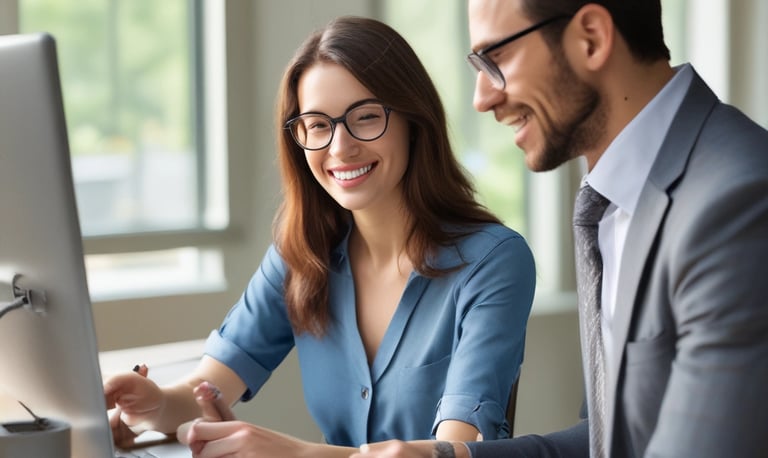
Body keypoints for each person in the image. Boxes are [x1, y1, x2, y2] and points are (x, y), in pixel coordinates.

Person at [103, 15, 536, 457]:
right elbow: (205, 389)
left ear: (414, 120)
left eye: (366, 117)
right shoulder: (301, 253)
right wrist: (152, 403)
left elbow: (454, 451)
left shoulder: (494, 261)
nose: (339, 148)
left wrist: (298, 454)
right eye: (317, 125)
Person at [352, 0, 768, 457]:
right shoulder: (614, 200)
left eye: (497, 58)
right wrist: (439, 455)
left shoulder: (738, 203)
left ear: (591, 37)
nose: (483, 98)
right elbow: (609, 439)